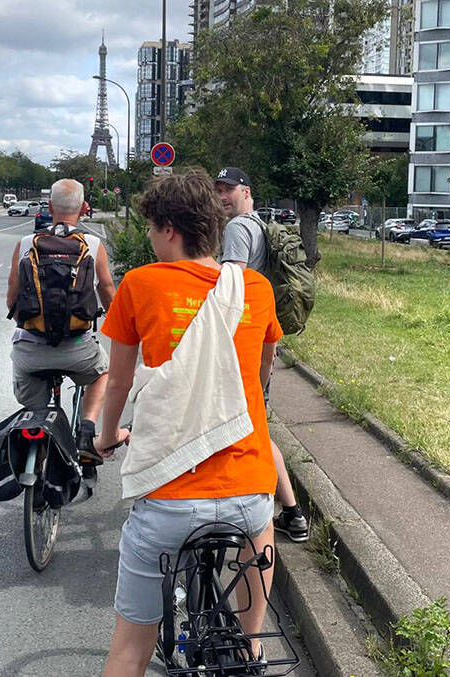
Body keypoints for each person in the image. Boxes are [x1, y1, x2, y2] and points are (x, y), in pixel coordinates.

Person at [95, 170, 281, 676]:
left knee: (129, 650)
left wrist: (107, 437)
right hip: (247, 493)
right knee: (259, 528)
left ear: (169, 228)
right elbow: (258, 379)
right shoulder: (256, 288)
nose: (153, 239)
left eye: (152, 229)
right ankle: (251, 648)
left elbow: (117, 383)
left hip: (171, 503)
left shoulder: (140, 284)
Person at [215, 166, 310, 543]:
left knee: (252, 432)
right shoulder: (260, 223)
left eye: (229, 189)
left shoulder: (238, 228)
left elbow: (231, 283)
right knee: (258, 430)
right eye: (218, 189)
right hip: (263, 335)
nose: (223, 195)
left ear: (247, 191)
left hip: (243, 341)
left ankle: (275, 511)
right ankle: (293, 512)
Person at [6, 178, 116, 465]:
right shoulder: (93, 244)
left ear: (50, 206)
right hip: (77, 348)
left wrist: (31, 325)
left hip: (32, 351)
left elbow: (12, 301)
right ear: (83, 209)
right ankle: (86, 429)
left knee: (32, 401)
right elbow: (106, 290)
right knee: (102, 373)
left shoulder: (26, 243)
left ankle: (37, 428)